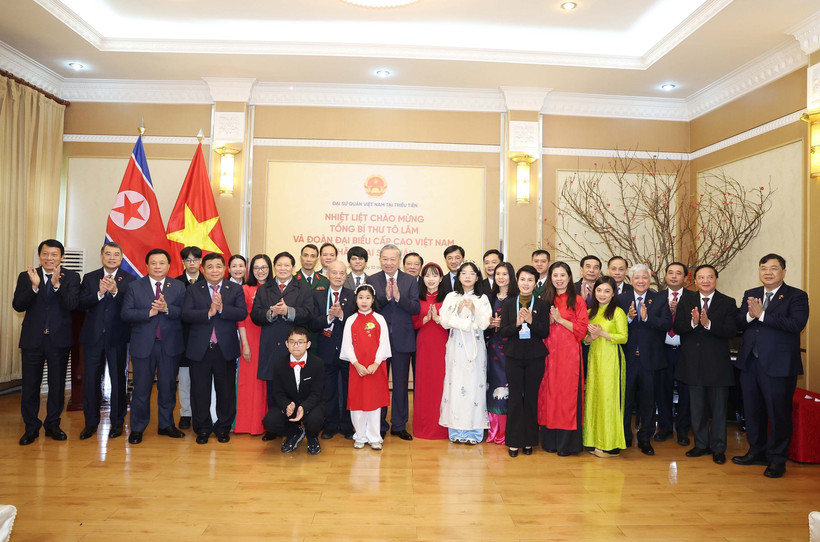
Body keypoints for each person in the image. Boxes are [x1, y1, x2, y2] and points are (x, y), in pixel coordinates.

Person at [732, 254, 809, 478]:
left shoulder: (796, 296)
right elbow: (737, 323)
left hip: (779, 365)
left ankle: (777, 459)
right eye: (764, 268)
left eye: (773, 268)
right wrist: (749, 315)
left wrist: (763, 315)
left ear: (783, 272)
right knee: (752, 411)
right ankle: (757, 452)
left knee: (778, 413)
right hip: (750, 363)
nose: (768, 272)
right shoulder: (751, 294)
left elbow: (796, 324)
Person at [13, 239, 81, 446]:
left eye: (54, 254)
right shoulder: (27, 276)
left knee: (57, 384)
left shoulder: (71, 276)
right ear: (39, 255)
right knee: (31, 386)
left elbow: (72, 304)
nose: (49, 258)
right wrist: (34, 288)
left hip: (58, 340)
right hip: (33, 340)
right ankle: (31, 427)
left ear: (62, 257)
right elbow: (17, 305)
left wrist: (57, 286)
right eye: (45, 254)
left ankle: (53, 424)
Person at [120, 248, 187, 445]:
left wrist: (167, 309)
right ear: (147, 265)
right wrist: (147, 313)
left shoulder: (178, 286)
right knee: (141, 388)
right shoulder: (135, 286)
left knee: (167, 388)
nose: (158, 266)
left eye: (162, 263)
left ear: (168, 265)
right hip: (143, 345)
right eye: (154, 263)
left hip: (170, 345)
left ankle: (166, 425)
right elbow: (126, 313)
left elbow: (185, 313)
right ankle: (138, 428)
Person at [673, 264, 737, 465]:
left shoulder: (727, 302)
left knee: (718, 410)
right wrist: (693, 323)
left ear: (716, 279)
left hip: (717, 364)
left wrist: (708, 324)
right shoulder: (687, 299)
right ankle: (701, 444)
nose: (706, 281)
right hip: (692, 363)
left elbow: (731, 331)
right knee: (697, 407)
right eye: (701, 277)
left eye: (710, 277)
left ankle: (718, 448)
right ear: (695, 280)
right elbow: (678, 327)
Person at [181, 253, 247, 444]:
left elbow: (242, 312)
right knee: (199, 392)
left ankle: (223, 428)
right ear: (203, 269)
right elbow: (185, 314)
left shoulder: (234, 289)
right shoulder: (194, 289)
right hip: (199, 349)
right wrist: (207, 313)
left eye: (218, 266)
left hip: (224, 349)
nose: (214, 270)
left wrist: (222, 309)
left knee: (225, 392)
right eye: (210, 267)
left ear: (224, 268)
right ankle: (202, 429)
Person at [250, 251, 314, 441]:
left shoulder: (302, 287)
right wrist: (271, 314)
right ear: (274, 267)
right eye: (279, 265)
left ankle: (294, 426)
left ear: (293, 268)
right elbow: (255, 315)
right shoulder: (264, 289)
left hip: (294, 346)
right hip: (271, 343)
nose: (283, 268)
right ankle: (275, 427)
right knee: (273, 387)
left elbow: (308, 313)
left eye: (287, 265)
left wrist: (288, 311)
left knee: (294, 386)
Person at [77, 242, 135, 440]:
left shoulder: (129, 279)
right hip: (93, 336)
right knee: (91, 380)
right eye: (108, 254)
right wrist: (100, 293)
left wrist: (115, 292)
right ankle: (90, 422)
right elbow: (81, 303)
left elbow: (129, 307)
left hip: (117, 336)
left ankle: (117, 422)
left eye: (116, 255)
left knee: (119, 379)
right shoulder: (90, 277)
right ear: (102, 255)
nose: (112, 257)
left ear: (121, 257)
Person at [617, 263, 672, 455]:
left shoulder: (659, 299)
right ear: (630, 280)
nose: (641, 281)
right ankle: (623, 436)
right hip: (628, 359)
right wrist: (629, 318)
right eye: (637, 278)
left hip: (651, 360)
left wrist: (647, 318)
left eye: (645, 277)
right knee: (625, 401)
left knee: (648, 401)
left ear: (649, 280)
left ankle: (645, 439)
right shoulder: (621, 299)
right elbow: (614, 325)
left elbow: (666, 323)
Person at [368, 243, 420, 440]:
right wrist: (384, 297)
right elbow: (368, 305)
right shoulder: (372, 279)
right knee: (379, 384)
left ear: (399, 261)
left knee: (400, 385)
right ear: (379, 260)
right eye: (385, 259)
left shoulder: (410, 280)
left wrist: (398, 298)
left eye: (393, 259)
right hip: (378, 341)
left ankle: (399, 425)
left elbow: (415, 308)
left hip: (403, 340)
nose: (389, 263)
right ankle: (379, 424)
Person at [439, 261, 492, 444]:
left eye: (472, 273)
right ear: (458, 276)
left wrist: (473, 310)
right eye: (464, 273)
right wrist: (459, 312)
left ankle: (474, 433)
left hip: (475, 347)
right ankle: (456, 431)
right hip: (456, 347)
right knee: (455, 385)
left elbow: (485, 324)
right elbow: (444, 321)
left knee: (475, 387)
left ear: (477, 277)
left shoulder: (482, 299)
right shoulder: (451, 297)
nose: (468, 276)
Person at [539, 261, 588, 456]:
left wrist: (560, 320)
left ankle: (568, 444)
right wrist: (547, 322)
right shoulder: (544, 299)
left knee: (567, 396)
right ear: (550, 278)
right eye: (555, 275)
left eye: (562, 275)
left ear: (569, 277)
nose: (559, 279)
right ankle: (550, 442)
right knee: (549, 395)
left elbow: (582, 331)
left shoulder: (577, 300)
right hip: (548, 354)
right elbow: (538, 329)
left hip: (569, 356)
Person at [500, 264, 550, 457]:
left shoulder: (542, 304)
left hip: (535, 357)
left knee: (530, 398)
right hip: (513, 356)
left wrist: (531, 321)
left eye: (530, 280)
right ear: (517, 281)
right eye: (523, 279)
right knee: (514, 399)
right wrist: (517, 324)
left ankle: (529, 441)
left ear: (536, 282)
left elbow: (544, 331)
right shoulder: (508, 303)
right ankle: (513, 442)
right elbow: (503, 331)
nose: (526, 283)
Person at [341, 284, 392, 449]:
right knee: (357, 403)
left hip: (375, 368)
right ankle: (360, 436)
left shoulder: (379, 319)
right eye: (361, 297)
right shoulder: (350, 320)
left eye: (368, 298)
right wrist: (356, 364)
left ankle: (375, 437)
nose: (364, 301)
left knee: (374, 403)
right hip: (357, 369)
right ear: (355, 299)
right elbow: (347, 346)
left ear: (373, 300)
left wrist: (376, 363)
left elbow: (384, 343)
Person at [582, 276, 628, 457]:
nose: (602, 294)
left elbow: (624, 337)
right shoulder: (589, 312)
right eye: (599, 290)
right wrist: (592, 337)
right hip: (594, 360)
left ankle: (610, 445)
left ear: (613, 293)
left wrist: (603, 333)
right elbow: (584, 340)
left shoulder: (617, 312)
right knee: (594, 397)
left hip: (612, 359)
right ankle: (593, 440)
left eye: (607, 291)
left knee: (609, 400)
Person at [310, 260, 355, 440]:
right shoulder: (317, 296)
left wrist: (342, 315)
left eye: (342, 273)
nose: (338, 276)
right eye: (334, 273)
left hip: (347, 350)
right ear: (327, 275)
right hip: (325, 349)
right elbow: (312, 323)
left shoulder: (353, 295)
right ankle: (329, 425)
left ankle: (346, 425)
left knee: (347, 389)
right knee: (328, 390)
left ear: (346, 276)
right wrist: (328, 317)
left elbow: (356, 323)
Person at [262, 326, 325, 455]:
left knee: (315, 420)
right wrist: (286, 405)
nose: (296, 346)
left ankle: (312, 436)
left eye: (300, 342)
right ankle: (295, 432)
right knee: (270, 422)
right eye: (292, 342)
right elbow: (277, 392)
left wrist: (304, 407)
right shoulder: (279, 364)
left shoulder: (317, 363)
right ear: (287, 344)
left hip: (310, 404)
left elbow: (317, 393)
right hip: (290, 404)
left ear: (308, 344)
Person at [655, 262, 697, 447]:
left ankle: (682, 430)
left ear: (686, 277)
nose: (673, 276)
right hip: (662, 350)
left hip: (685, 352)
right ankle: (664, 427)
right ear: (665, 276)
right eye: (670, 272)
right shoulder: (656, 297)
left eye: (678, 273)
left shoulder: (694, 297)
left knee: (685, 391)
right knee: (662, 390)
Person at [411, 262, 449, 440]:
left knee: (441, 384)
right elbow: (412, 324)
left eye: (435, 275)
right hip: (424, 345)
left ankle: (442, 428)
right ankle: (423, 427)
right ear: (422, 278)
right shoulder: (416, 298)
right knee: (424, 385)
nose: (431, 279)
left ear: (441, 278)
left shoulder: (448, 299)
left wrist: (439, 319)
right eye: (427, 275)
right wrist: (425, 320)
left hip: (442, 344)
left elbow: (452, 324)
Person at [235, 254, 271, 436]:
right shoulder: (245, 289)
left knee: (267, 384)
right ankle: (247, 425)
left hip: (269, 338)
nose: (260, 271)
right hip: (251, 338)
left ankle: (267, 425)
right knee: (250, 383)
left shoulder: (275, 288)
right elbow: (241, 318)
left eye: (264, 267)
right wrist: (245, 344)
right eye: (257, 267)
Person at [485, 262, 517, 445]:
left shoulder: (516, 298)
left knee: (509, 387)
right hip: (493, 347)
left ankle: (507, 432)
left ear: (510, 276)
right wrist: (489, 325)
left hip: (511, 349)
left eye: (505, 274)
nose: (501, 277)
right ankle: (493, 430)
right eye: (498, 274)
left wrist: (505, 325)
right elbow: (482, 323)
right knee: (493, 386)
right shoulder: (489, 298)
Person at [175, 245, 204, 430]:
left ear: (201, 261)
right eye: (188, 260)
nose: (192, 263)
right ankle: (186, 412)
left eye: (195, 259)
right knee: (184, 378)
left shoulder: (210, 280)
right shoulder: (176, 283)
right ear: (183, 262)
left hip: (204, 336)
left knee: (203, 379)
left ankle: (203, 412)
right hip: (183, 337)